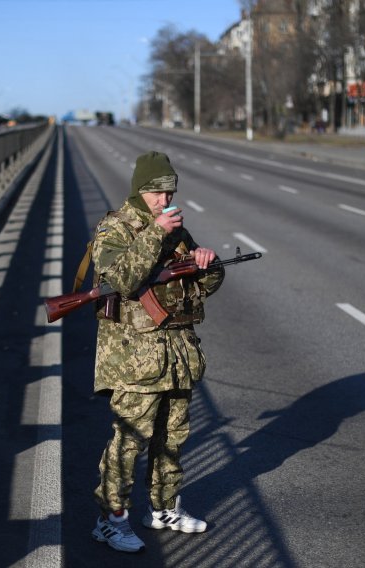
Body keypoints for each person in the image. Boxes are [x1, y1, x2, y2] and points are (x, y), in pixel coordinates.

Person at [90, 151, 225, 553]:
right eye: (157, 192)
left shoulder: (176, 230)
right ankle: (110, 520)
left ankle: (164, 508)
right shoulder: (114, 228)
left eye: (169, 191)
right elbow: (124, 279)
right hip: (135, 361)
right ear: (140, 190)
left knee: (173, 437)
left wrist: (208, 263)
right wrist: (154, 232)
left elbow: (202, 286)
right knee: (129, 440)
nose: (165, 199)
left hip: (177, 355)